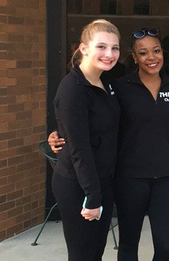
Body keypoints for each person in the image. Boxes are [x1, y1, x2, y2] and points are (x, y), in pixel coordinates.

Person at [49, 28, 169, 261]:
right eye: (143, 52)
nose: (151, 57)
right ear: (134, 57)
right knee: (128, 245)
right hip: (130, 178)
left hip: (166, 177)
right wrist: (58, 132)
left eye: (156, 50)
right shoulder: (118, 86)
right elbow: (93, 118)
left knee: (166, 247)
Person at [52, 19, 121, 261]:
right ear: (83, 49)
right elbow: (79, 147)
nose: (109, 54)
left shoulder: (105, 80)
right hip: (78, 185)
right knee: (82, 255)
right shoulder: (73, 88)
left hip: (102, 180)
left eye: (115, 48)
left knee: (95, 253)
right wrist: (92, 196)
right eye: (101, 47)